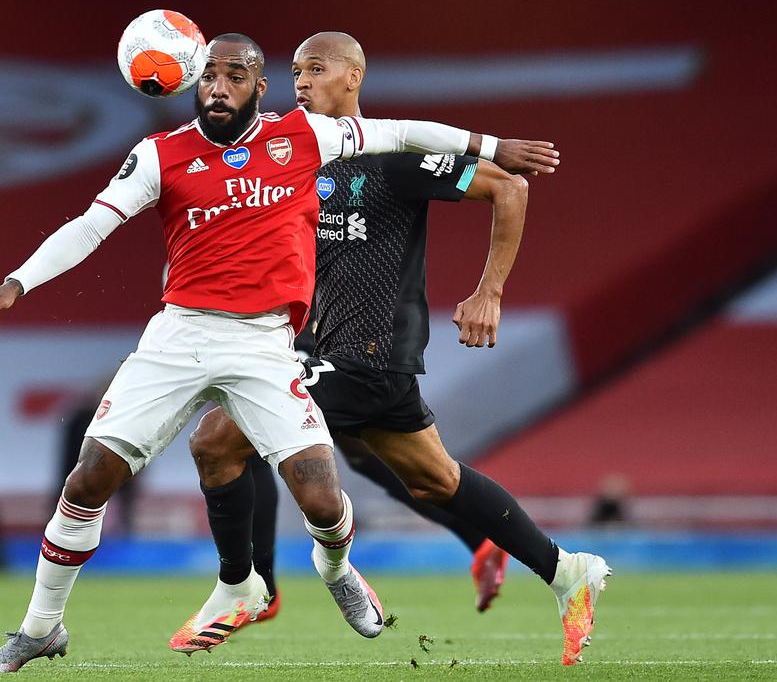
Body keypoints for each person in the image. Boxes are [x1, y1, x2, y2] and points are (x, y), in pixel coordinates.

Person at [0, 32, 521, 673]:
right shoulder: (161, 155)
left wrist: (494, 149)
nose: (219, 88)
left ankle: (338, 573)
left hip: (264, 343)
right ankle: (39, 628)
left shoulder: (307, 137)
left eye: (235, 76)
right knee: (88, 479)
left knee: (324, 502)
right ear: (191, 83)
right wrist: (15, 283)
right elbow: (91, 225)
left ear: (258, 86)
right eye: (209, 77)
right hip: (178, 338)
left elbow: (405, 133)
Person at [175, 32, 610, 667]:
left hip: (367, 353)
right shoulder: (288, 155)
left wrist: (488, 293)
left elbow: (510, 189)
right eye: (295, 70)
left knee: (217, 440)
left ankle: (252, 586)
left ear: (352, 78)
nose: (301, 80)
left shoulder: (392, 156)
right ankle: (568, 571)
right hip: (328, 350)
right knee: (435, 479)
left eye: (316, 69)